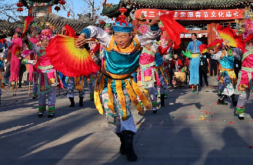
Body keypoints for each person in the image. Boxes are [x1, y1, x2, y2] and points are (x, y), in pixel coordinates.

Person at [76, 16, 161, 162]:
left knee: (125, 112)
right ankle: (122, 139)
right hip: (107, 83)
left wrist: (153, 26)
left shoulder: (137, 42)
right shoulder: (109, 41)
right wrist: (83, 35)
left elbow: (151, 35)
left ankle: (129, 146)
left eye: (123, 36)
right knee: (110, 115)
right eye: (117, 35)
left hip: (126, 84)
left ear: (130, 35)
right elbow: (95, 30)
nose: (120, 39)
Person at [23, 28, 60, 118]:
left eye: (47, 40)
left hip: (51, 72)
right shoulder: (39, 49)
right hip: (42, 73)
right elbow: (31, 46)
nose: (45, 42)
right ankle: (41, 109)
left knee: (51, 92)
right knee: (42, 92)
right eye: (43, 40)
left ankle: (51, 110)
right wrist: (26, 40)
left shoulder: (54, 49)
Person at [235, 34, 253, 121]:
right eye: (249, 41)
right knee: (243, 95)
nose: (250, 42)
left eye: (252, 40)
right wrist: (229, 45)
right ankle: (241, 111)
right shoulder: (242, 50)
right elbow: (233, 51)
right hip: (245, 75)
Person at [8, 29, 22, 96]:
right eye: (15, 33)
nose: (16, 34)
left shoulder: (19, 39)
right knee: (12, 68)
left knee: (16, 68)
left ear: (18, 34)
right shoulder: (12, 40)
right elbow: (10, 48)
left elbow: (21, 47)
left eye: (17, 33)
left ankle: (16, 80)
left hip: (17, 55)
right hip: (12, 55)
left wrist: (18, 48)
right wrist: (9, 46)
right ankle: (12, 80)